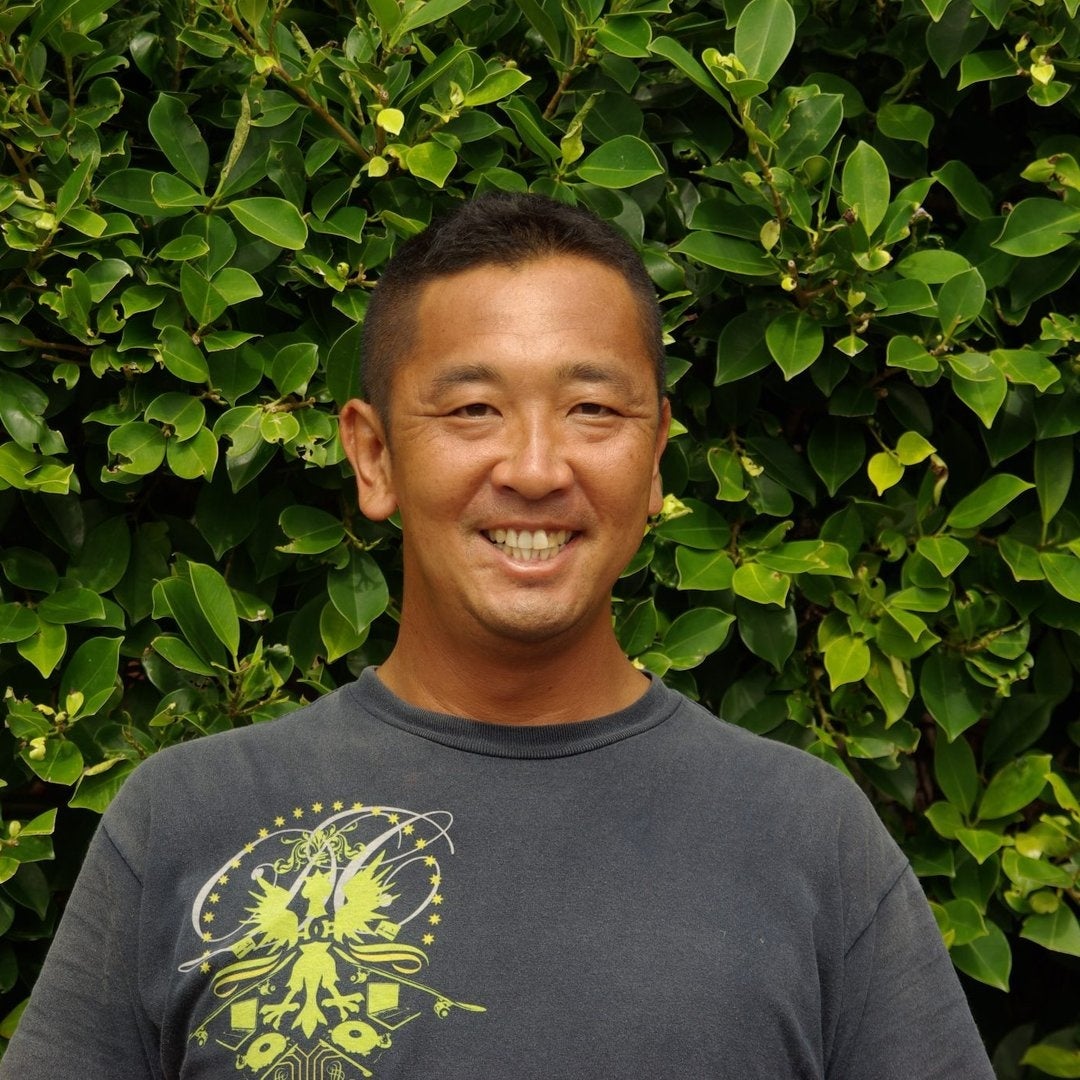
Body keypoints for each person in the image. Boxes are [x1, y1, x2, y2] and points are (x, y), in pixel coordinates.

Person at [1, 194, 994, 1079]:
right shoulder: (188, 822)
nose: (534, 468)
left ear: (655, 457)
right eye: (474, 409)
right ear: (374, 456)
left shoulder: (810, 839)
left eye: (592, 409)